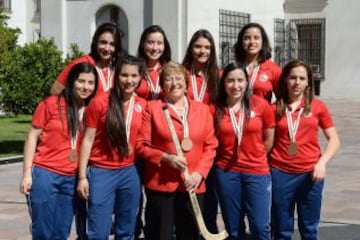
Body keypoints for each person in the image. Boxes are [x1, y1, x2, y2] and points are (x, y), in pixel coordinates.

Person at [136, 61, 218, 240]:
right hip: (161, 184)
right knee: (160, 235)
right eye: (168, 79)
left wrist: (200, 174)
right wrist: (165, 158)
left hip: (193, 184)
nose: (174, 83)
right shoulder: (152, 108)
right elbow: (141, 145)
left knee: (189, 235)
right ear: (162, 85)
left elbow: (211, 145)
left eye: (178, 78)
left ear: (186, 83)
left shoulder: (202, 110)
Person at [19, 62, 98, 240]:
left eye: (90, 83)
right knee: (43, 231)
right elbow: (32, 137)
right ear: (71, 81)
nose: (85, 87)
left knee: (61, 232)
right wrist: (26, 174)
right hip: (45, 175)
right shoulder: (50, 104)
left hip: (71, 178)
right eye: (81, 81)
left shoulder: (91, 110)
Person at [76, 55, 146, 239]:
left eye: (134, 76)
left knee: (126, 230)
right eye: (124, 75)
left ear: (140, 78)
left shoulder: (142, 105)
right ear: (116, 75)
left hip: (130, 172)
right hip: (101, 172)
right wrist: (82, 176)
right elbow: (87, 140)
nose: (129, 80)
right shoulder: (99, 102)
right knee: (98, 231)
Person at [270, 60, 340, 240]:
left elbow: (334, 139)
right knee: (281, 229)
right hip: (280, 174)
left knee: (309, 228)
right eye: (293, 77)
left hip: (310, 174)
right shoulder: (275, 108)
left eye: (302, 78)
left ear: (308, 81)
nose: (297, 82)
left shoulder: (318, 107)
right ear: (285, 79)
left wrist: (322, 163)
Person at [214, 62, 275, 239]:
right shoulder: (216, 108)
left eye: (240, 80)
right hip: (227, 172)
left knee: (260, 226)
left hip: (256, 171)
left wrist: (256, 155)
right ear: (224, 83)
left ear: (247, 82)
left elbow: (269, 137)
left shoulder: (261, 105)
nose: (236, 85)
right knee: (233, 228)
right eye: (230, 80)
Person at [182, 29, 221, 233]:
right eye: (198, 46)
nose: (202, 51)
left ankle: (208, 231)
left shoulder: (218, 75)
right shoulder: (181, 73)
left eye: (207, 47)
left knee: (209, 194)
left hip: (210, 142)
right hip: (184, 141)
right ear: (191, 48)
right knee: (185, 192)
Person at [51, 22, 122, 96]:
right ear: (96, 43)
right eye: (103, 42)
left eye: (112, 44)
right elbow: (55, 91)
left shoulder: (118, 67)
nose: (107, 48)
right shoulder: (80, 63)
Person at [234, 22, 282, 103]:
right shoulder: (234, 68)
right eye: (247, 38)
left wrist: (270, 110)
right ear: (241, 42)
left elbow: (282, 99)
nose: (252, 42)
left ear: (263, 41)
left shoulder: (274, 69)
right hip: (236, 115)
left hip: (262, 115)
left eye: (256, 38)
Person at [136, 25, 171, 100]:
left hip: (164, 111)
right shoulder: (135, 69)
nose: (155, 48)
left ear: (165, 45)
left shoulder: (170, 70)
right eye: (150, 42)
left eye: (159, 43)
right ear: (143, 44)